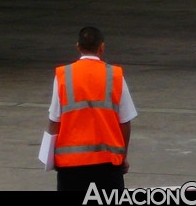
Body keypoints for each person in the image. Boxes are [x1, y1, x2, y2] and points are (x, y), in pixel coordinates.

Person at [47, 26, 137, 191]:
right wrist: (122, 156)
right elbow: (125, 122)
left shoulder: (63, 75)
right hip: (107, 164)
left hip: (71, 166)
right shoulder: (115, 75)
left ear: (78, 47)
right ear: (101, 47)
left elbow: (54, 121)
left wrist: (51, 157)